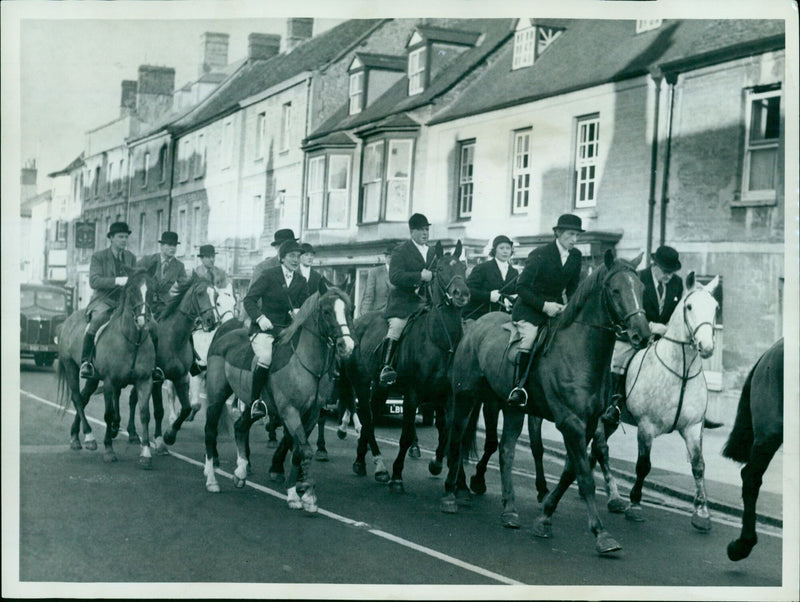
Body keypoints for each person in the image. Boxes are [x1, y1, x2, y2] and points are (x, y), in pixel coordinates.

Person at [507, 214, 584, 406]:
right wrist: (544, 306)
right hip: (530, 310)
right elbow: (521, 287)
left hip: (557, 309)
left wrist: (569, 305)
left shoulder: (576, 256)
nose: (575, 240)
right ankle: (519, 388)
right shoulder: (540, 253)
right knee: (531, 338)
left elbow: (574, 287)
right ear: (558, 233)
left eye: (577, 235)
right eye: (571, 234)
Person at [603, 245, 684, 426]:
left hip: (663, 339)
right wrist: (651, 326)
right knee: (619, 361)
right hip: (635, 335)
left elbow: (675, 314)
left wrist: (669, 328)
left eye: (672, 272)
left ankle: (683, 408)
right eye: (665, 271)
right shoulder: (637, 278)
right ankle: (614, 404)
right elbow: (627, 311)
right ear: (654, 265)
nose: (668, 276)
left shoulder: (677, 283)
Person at [243, 239, 309, 419]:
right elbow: (249, 300)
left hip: (287, 329)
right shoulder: (268, 275)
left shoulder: (301, 280)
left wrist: (298, 312)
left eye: (298, 256)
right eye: (292, 256)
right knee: (266, 357)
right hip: (265, 328)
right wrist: (259, 317)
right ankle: (256, 401)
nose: (296, 260)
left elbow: (303, 304)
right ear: (282, 258)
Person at [379, 213, 435, 386]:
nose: (425, 233)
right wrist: (420, 276)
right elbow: (394, 276)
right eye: (421, 230)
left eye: (426, 229)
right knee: (396, 327)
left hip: (429, 303)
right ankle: (386, 366)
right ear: (412, 232)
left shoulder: (433, 252)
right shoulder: (401, 250)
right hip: (404, 303)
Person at [79, 221, 137, 380]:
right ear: (111, 238)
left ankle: (147, 364)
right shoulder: (99, 257)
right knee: (97, 320)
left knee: (145, 322)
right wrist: (117, 281)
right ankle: (87, 362)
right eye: (120, 237)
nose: (124, 240)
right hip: (103, 300)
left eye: (126, 237)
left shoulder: (131, 258)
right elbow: (94, 281)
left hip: (125, 302)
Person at [137, 231, 188, 382]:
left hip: (165, 305)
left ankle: (192, 362)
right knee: (147, 329)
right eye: (169, 245)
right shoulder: (147, 260)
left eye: (175, 246)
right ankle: (142, 361)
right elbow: (136, 278)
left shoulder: (179, 266)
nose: (173, 248)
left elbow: (184, 286)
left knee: (183, 327)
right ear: (162, 246)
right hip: (145, 303)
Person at [463, 234, 519, 320]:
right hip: (480, 317)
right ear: (494, 250)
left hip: (504, 318)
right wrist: (488, 296)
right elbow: (468, 290)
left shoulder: (514, 272)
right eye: (501, 248)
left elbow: (513, 292)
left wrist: (512, 299)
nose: (505, 251)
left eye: (508, 248)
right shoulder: (482, 268)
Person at [359, 244, 393, 317]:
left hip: (397, 314)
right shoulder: (375, 272)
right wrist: (364, 316)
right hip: (378, 315)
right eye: (390, 257)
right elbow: (369, 296)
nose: (393, 260)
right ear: (386, 257)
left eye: (396, 257)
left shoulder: (402, 273)